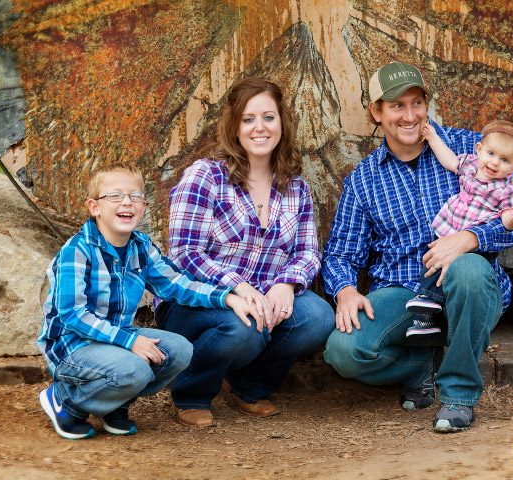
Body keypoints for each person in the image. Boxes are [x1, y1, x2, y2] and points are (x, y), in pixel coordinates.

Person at [321, 62, 513, 432]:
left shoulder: (473, 148)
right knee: (344, 350)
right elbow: (340, 252)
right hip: (406, 292)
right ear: (376, 111)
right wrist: (345, 290)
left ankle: (458, 398)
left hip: (469, 287)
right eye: (397, 106)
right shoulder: (363, 180)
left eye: (417, 103)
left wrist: (472, 238)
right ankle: (421, 367)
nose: (410, 115)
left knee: (467, 268)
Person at [154, 77, 335, 427]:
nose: (259, 128)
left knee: (318, 318)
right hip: (197, 302)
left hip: (264, 300)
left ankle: (247, 387)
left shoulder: (296, 188)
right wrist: (237, 286)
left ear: (282, 122)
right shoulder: (205, 176)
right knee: (242, 328)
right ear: (234, 127)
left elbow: (308, 253)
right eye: (248, 119)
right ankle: (192, 392)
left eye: (268, 117)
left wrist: (286, 285)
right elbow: (184, 253)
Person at [37, 164, 258, 440]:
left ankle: (114, 404)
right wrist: (130, 342)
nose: (127, 202)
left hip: (113, 340)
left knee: (178, 350)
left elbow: (178, 285)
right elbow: (73, 315)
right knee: (135, 368)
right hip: (73, 347)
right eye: (115, 196)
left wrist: (228, 297)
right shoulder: (77, 251)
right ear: (94, 207)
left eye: (135, 196)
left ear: (143, 207)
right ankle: (65, 401)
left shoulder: (140, 247)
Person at [404, 120, 513, 336]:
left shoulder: (509, 188)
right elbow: (450, 161)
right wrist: (433, 138)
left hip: (474, 243)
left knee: (458, 273)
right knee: (433, 263)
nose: (494, 163)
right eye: (490, 153)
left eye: (504, 160)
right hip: (450, 225)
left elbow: (510, 221)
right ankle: (425, 316)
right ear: (479, 150)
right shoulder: (471, 165)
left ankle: (427, 302)